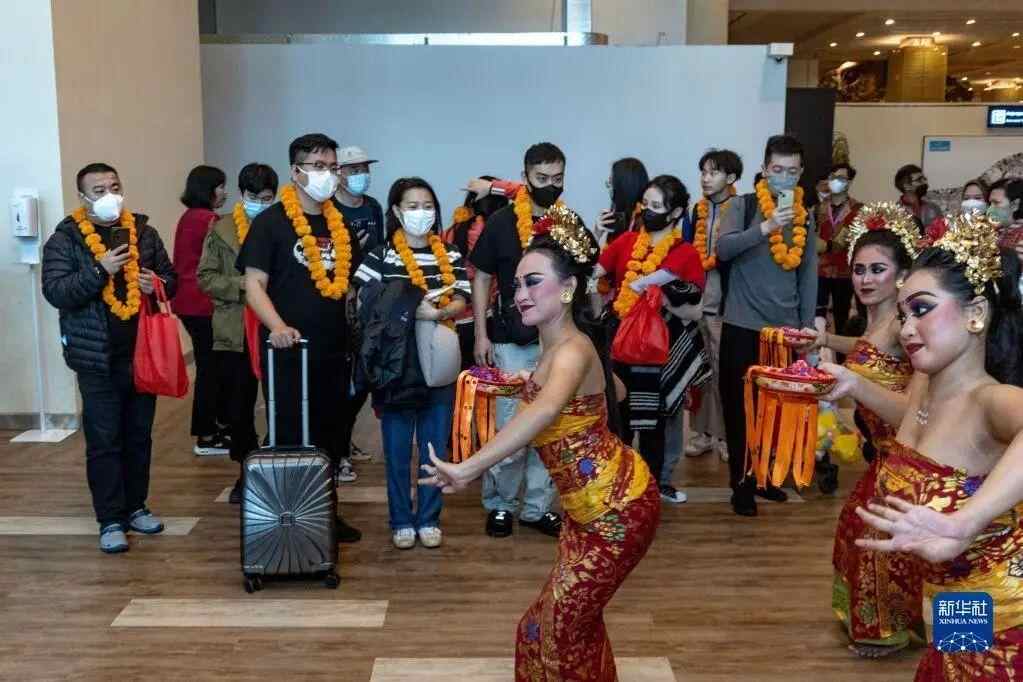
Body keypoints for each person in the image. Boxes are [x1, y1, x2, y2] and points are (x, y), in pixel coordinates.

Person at [419, 209, 659, 681]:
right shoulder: (563, 348)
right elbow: (614, 392)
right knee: (562, 627)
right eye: (516, 285)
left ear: (568, 289)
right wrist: (530, 382)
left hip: (617, 511)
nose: (519, 294)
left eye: (533, 282)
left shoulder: (571, 350)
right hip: (586, 510)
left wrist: (468, 467)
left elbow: (545, 412)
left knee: (551, 628)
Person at [824, 217, 1023, 679]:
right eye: (903, 315)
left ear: (975, 314)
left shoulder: (989, 400)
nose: (907, 328)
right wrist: (851, 384)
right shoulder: (925, 387)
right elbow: (903, 418)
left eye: (922, 309)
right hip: (954, 604)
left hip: (1003, 622)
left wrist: (965, 521)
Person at [797, 207, 923, 657]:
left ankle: (895, 630)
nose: (866, 279)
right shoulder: (880, 320)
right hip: (888, 455)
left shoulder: (909, 326)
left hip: (915, 456)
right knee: (860, 527)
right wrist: (825, 341)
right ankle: (904, 627)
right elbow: (870, 351)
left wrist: (854, 384)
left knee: (881, 538)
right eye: (859, 269)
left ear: (903, 275)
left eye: (877, 270)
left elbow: (913, 410)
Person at [41, 163, 177, 553]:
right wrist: (100, 270)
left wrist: (156, 284)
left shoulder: (144, 233)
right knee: (104, 440)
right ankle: (110, 519)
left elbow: (172, 280)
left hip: (142, 354)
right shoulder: (65, 239)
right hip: (95, 358)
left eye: (114, 187)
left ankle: (136, 507)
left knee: (139, 436)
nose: (109, 196)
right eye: (99, 190)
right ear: (83, 198)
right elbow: (57, 291)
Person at [236, 132, 361, 543]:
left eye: (332, 167)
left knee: (332, 435)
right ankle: (290, 519)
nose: (327, 175)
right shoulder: (270, 223)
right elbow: (253, 284)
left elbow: (349, 285)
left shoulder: (340, 224)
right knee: (290, 434)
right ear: (296, 171)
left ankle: (327, 513)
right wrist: (276, 326)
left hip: (333, 349)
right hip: (288, 351)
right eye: (318, 166)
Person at [353, 177, 470, 549]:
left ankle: (429, 517)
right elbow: (363, 299)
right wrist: (406, 308)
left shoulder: (450, 253)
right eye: (413, 206)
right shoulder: (380, 255)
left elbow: (462, 296)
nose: (422, 213)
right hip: (395, 364)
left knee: (435, 447)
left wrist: (438, 313)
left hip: (439, 357)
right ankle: (401, 519)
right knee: (398, 449)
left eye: (428, 206)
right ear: (397, 211)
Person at [469, 142, 567, 539]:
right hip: (511, 339)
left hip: (555, 343)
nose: (550, 185)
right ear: (524, 176)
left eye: (557, 178)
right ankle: (501, 504)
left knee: (549, 425)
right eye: (542, 178)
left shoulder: (566, 223)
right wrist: (480, 333)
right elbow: (481, 277)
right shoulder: (502, 221)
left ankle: (537, 507)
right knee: (511, 424)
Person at [717, 134, 818, 516]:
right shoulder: (741, 206)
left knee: (777, 413)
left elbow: (808, 275)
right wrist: (766, 226)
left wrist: (806, 327)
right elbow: (722, 249)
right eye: (777, 169)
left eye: (792, 171)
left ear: (801, 172)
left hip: (785, 331)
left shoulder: (805, 215)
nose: (784, 177)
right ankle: (741, 485)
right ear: (764, 169)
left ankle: (766, 478)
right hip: (742, 325)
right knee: (740, 411)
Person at [594, 175, 707, 505]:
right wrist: (598, 236)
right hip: (620, 343)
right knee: (619, 419)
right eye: (645, 203)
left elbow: (696, 311)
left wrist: (662, 294)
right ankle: (618, 487)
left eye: (656, 206)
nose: (647, 210)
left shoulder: (685, 253)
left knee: (656, 423)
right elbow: (594, 275)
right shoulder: (627, 241)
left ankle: (653, 490)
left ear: (675, 213)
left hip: (660, 347)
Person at [197, 162, 278, 504]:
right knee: (238, 407)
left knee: (280, 403)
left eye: (267, 197)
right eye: (253, 197)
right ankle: (246, 469)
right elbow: (205, 278)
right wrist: (244, 284)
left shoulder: (284, 226)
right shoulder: (222, 229)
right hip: (235, 329)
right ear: (242, 195)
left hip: (276, 328)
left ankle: (276, 467)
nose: (260, 203)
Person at [686, 148, 744, 462]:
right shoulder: (697, 210)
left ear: (731, 177)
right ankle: (702, 432)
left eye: (714, 172)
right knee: (699, 372)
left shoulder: (741, 209)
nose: (706, 179)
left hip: (725, 304)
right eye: (704, 172)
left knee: (724, 372)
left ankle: (725, 434)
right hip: (697, 302)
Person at [333, 145, 385, 472]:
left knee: (363, 379)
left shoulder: (373, 206)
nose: (361, 176)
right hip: (340, 303)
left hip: (371, 301)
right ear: (338, 173)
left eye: (364, 169)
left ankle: (346, 442)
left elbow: (380, 251)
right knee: (342, 382)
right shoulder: (329, 209)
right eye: (353, 170)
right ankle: (336, 450)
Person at [173, 165, 230, 456]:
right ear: (208, 189)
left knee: (211, 366)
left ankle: (215, 426)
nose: (224, 193)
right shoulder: (208, 220)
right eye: (221, 186)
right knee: (211, 369)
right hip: (202, 303)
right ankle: (207, 435)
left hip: (188, 302)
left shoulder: (189, 217)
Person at [442, 175, 509, 368]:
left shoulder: (451, 231)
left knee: (465, 379)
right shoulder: (497, 231)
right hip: (487, 319)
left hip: (457, 318)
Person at [815, 162, 863, 337]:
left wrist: (826, 245)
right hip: (819, 271)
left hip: (844, 272)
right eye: (833, 177)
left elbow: (848, 241)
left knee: (842, 317)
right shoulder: (817, 208)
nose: (835, 181)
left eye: (841, 178)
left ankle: (841, 352)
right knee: (817, 316)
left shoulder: (858, 210)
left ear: (849, 182)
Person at [593, 157, 649, 248]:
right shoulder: (619, 220)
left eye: (611, 183)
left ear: (622, 187)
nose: (610, 188)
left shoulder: (646, 222)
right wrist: (596, 235)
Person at [894, 164, 942, 234]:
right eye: (919, 180)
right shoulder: (895, 212)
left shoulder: (933, 208)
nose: (925, 182)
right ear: (907, 186)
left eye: (924, 179)